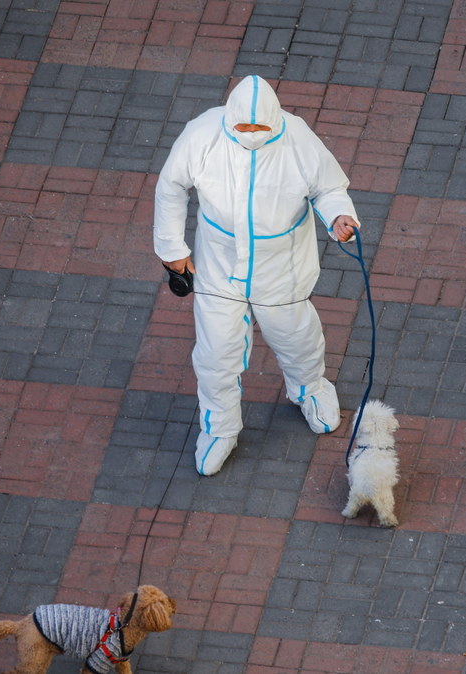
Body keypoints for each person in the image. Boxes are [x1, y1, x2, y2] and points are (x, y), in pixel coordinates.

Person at [154, 75, 361, 476]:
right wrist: (172, 250)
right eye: (243, 127)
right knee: (215, 353)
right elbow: (171, 187)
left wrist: (339, 216)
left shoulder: (298, 139)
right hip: (220, 266)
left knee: (297, 339)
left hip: (281, 268)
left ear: (273, 120)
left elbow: (328, 188)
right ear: (229, 119)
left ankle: (311, 390)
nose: (250, 134)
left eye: (259, 127)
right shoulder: (202, 134)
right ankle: (218, 428)